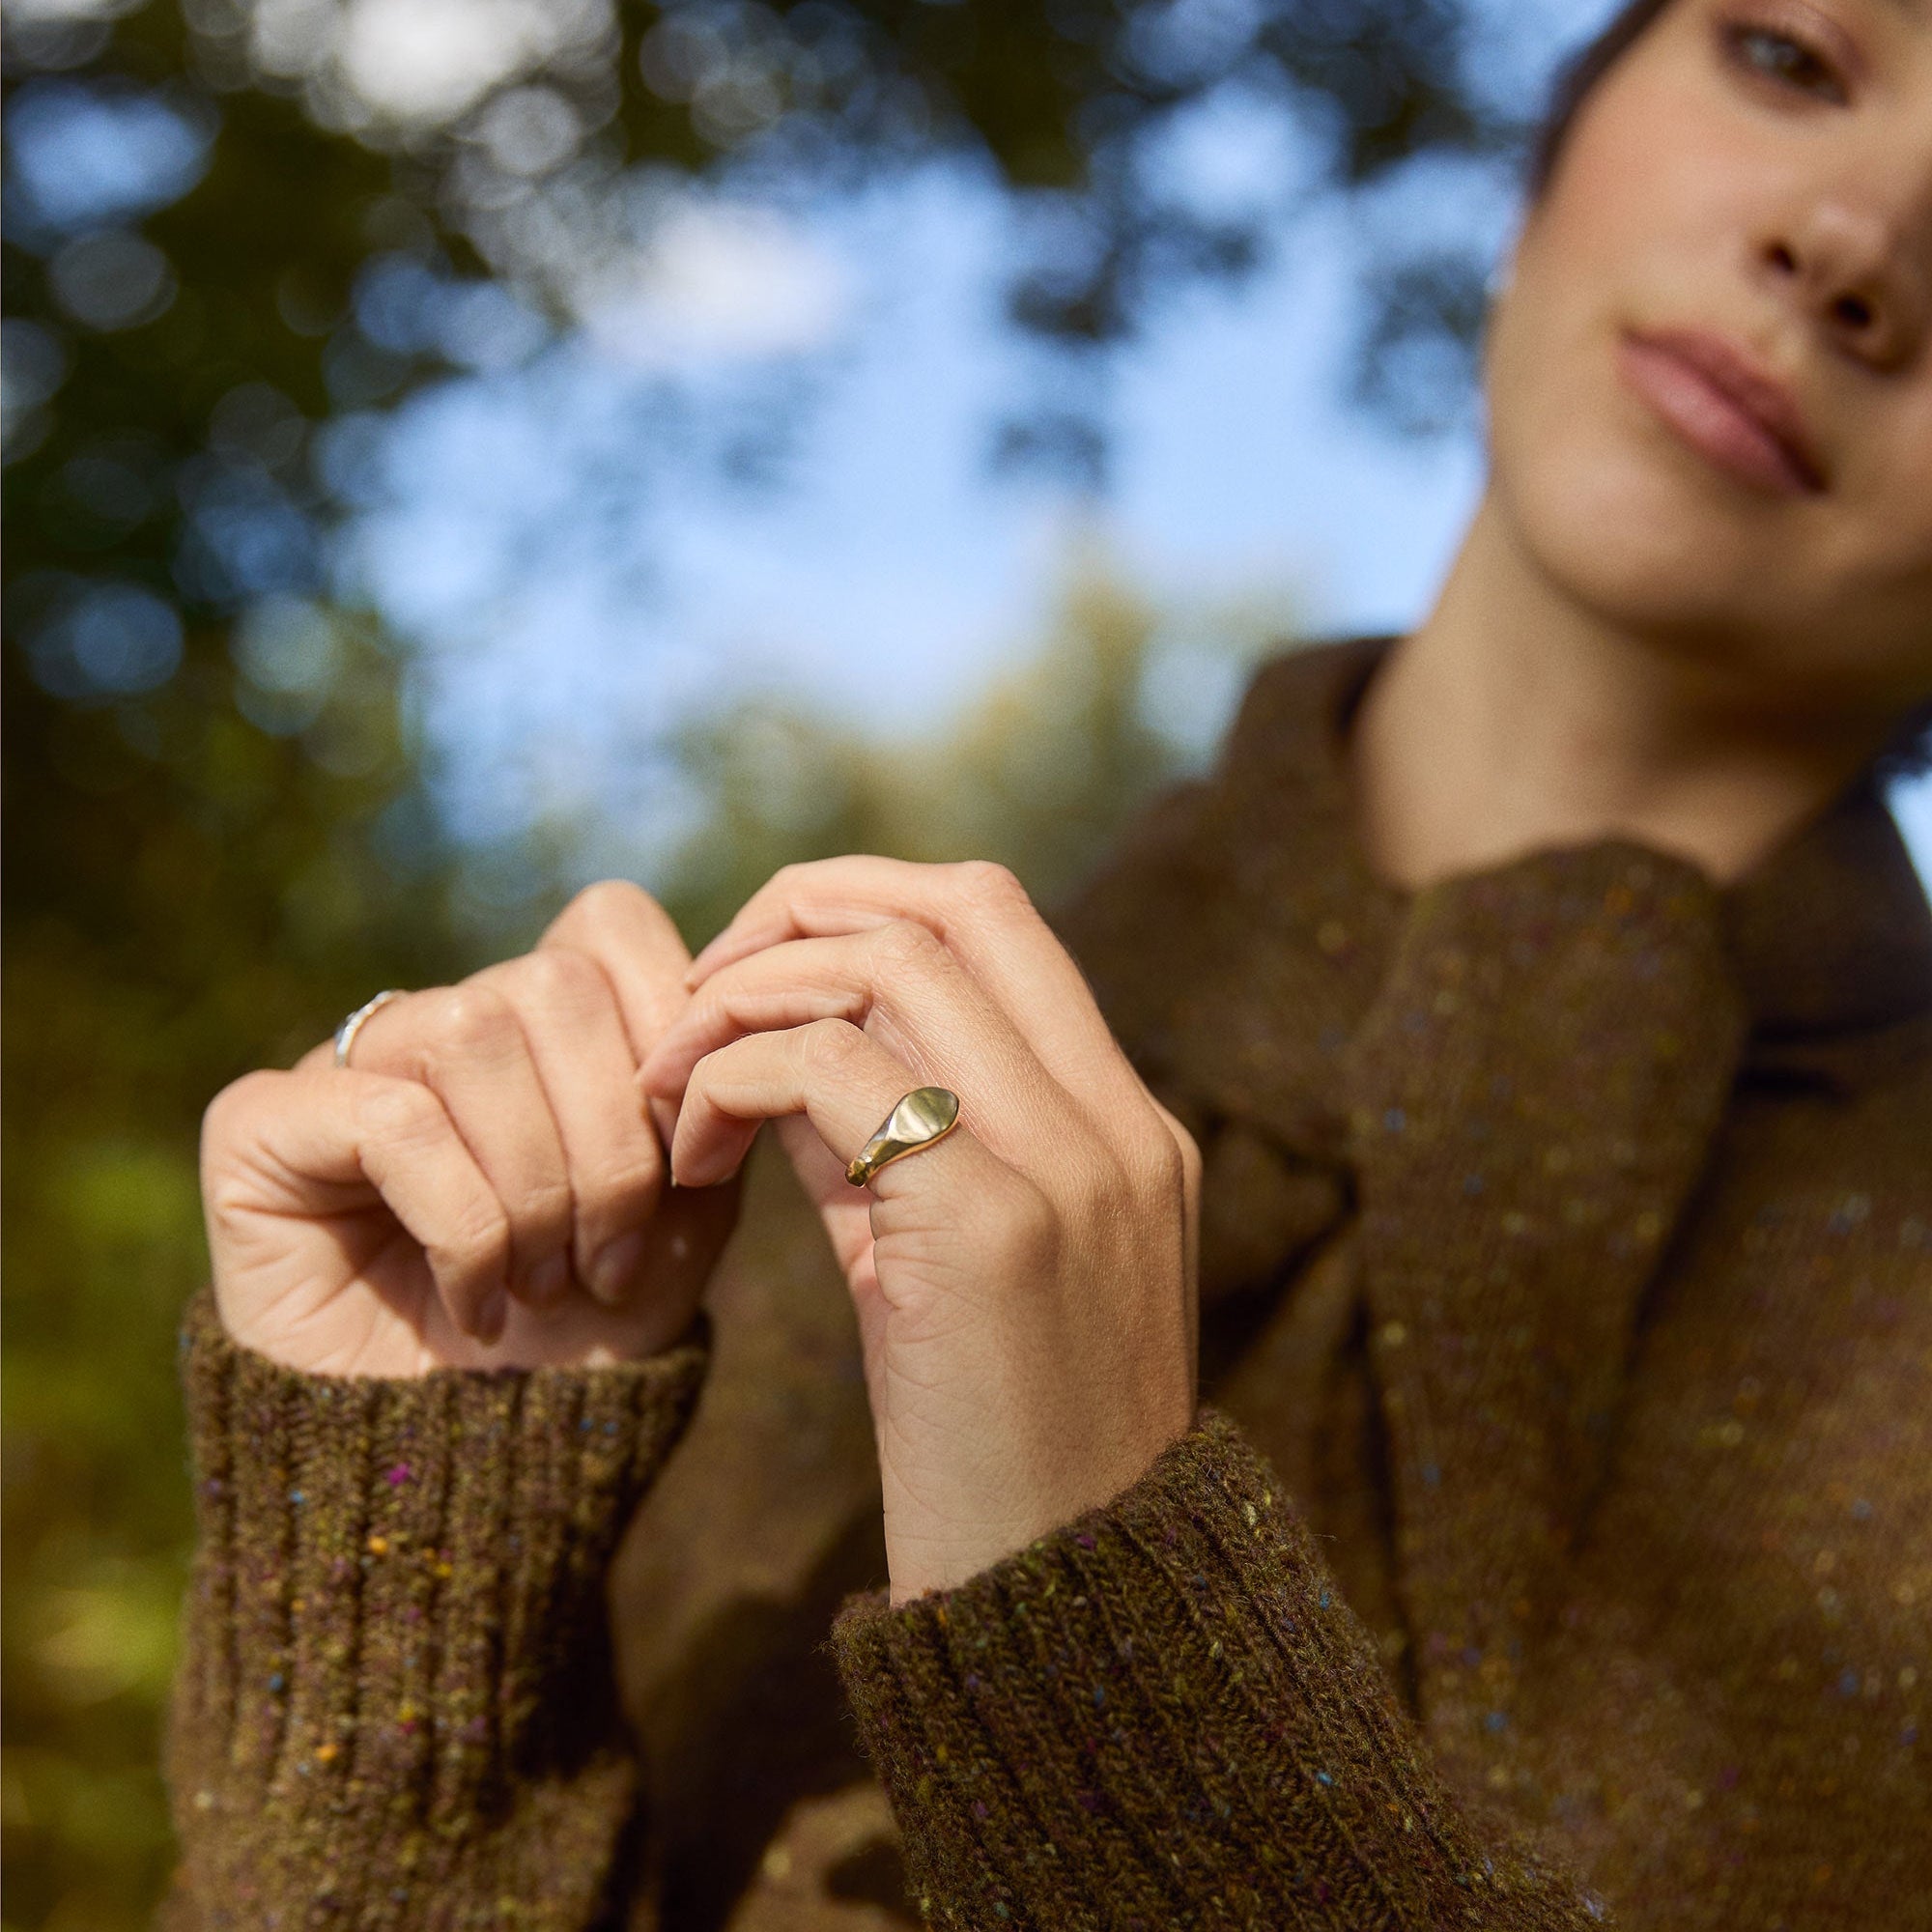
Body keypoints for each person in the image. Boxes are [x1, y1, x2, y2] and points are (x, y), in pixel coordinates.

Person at [161, 0, 1932, 1921]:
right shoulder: (766, 1109)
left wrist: (1101, 1634)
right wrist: (413, 1597)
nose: (1845, 248)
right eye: (1792, 59)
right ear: (1554, 146)